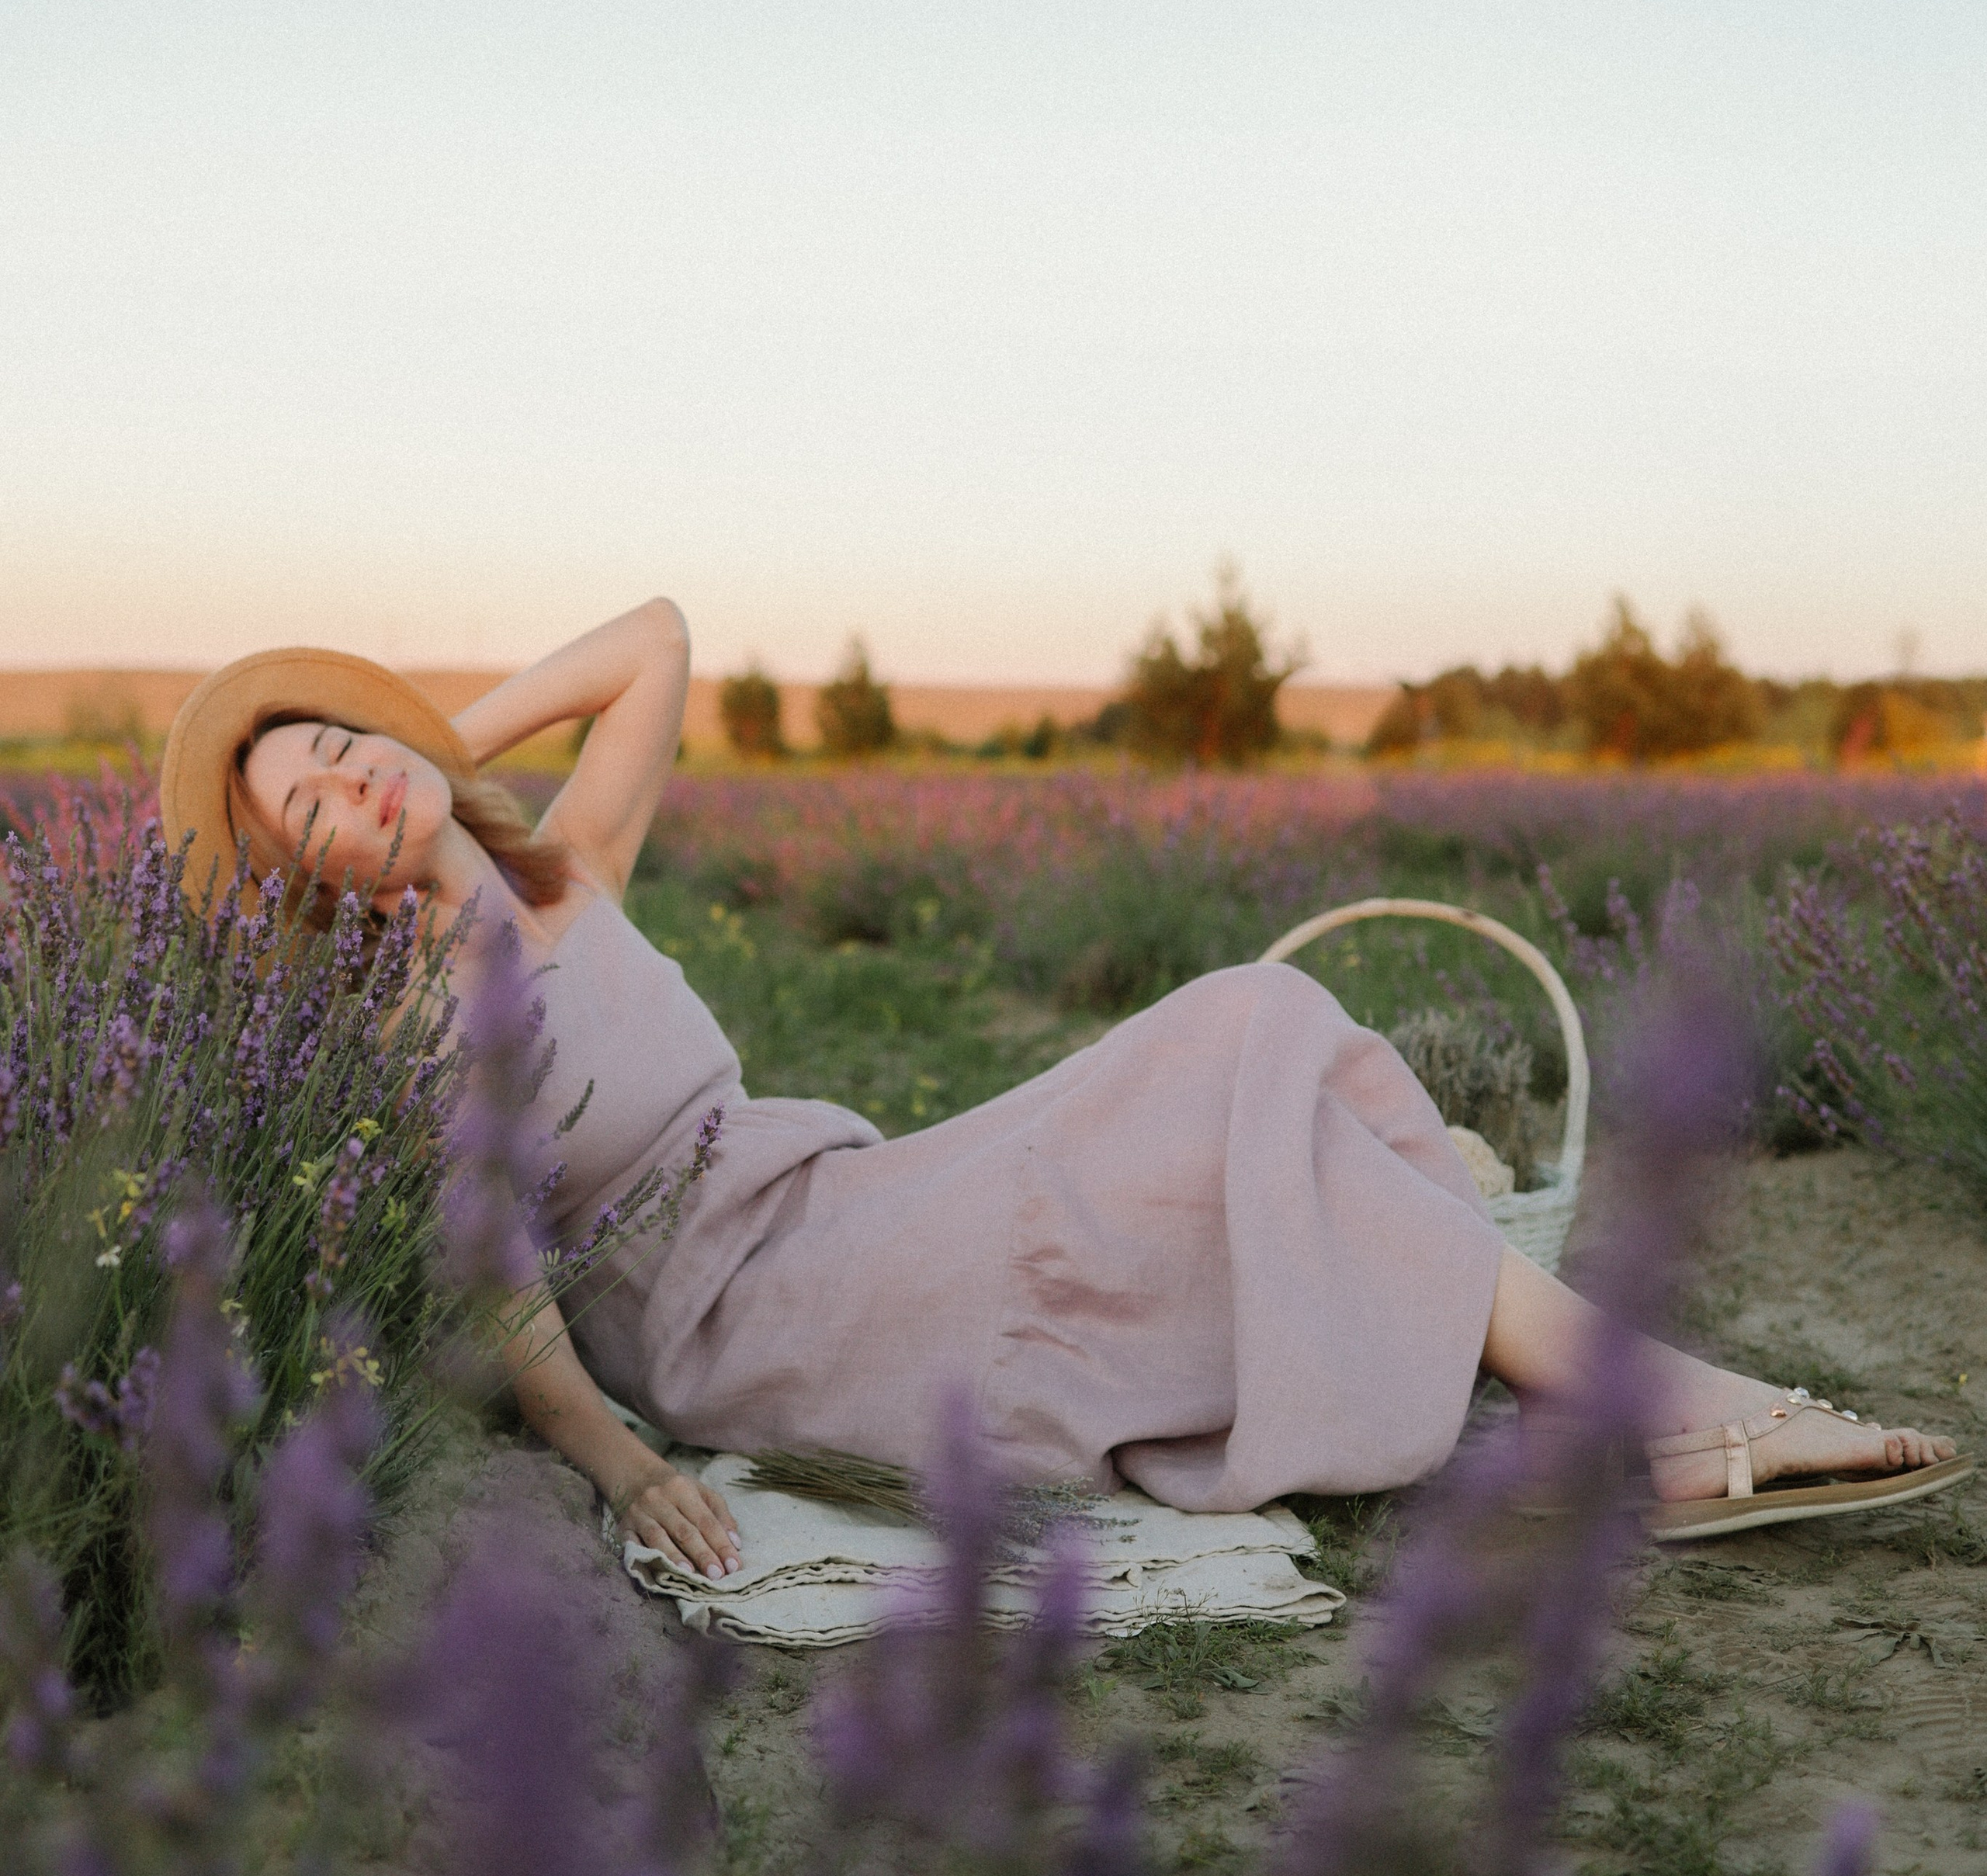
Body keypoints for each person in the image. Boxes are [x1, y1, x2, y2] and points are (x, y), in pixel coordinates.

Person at [159, 604, 1968, 1587]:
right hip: (747, 1312)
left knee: (1251, 1017)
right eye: (300, 812)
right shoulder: (394, 1022)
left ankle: (1591, 1396)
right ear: (304, 878)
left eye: (339, 747)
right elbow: (498, 1282)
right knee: (1228, 1066)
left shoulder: (570, 872)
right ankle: (1673, 1406)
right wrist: (623, 1461)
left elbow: (652, 636)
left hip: (835, 1187)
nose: (344, 792)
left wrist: (430, 745)